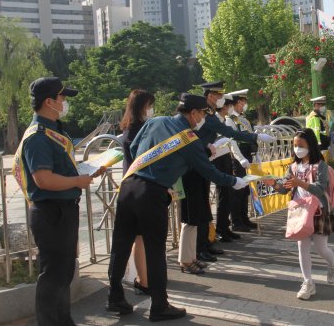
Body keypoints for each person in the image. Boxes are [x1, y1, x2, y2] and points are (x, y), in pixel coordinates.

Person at [107, 93, 249, 322]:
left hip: (128, 186)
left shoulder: (156, 121)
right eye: (202, 113)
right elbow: (208, 171)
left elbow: (132, 149)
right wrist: (235, 181)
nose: (203, 118)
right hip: (151, 193)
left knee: (120, 245)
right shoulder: (189, 138)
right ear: (193, 113)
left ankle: (114, 298)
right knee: (155, 251)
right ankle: (159, 305)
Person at [12, 77, 93, 326]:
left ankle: (63, 321)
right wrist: (77, 182)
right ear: (49, 101)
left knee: (64, 272)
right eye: (62, 98)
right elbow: (44, 179)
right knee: (53, 275)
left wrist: (83, 174)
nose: (65, 102)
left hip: (63, 210)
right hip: (51, 212)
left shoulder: (54, 129)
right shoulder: (37, 136)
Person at [181, 82, 276, 263]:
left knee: (204, 207)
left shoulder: (208, 114)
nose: (221, 100)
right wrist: (256, 137)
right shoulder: (205, 115)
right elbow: (228, 132)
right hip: (196, 165)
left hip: (204, 161)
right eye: (218, 96)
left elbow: (227, 133)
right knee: (199, 208)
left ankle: (206, 244)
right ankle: (199, 248)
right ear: (209, 96)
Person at [263, 128, 334, 300]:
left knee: (321, 248)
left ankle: (333, 262)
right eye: (295, 145)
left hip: (318, 210)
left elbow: (320, 188)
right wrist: (273, 184)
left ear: (310, 146)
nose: (297, 148)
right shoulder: (293, 167)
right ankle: (308, 283)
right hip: (299, 211)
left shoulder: (320, 165)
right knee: (302, 247)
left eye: (301, 145)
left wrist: (301, 183)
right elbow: (284, 189)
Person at [119, 89, 155, 294]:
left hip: (129, 185)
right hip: (140, 185)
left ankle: (143, 278)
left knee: (137, 237)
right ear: (142, 106)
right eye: (149, 105)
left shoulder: (127, 126)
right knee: (141, 238)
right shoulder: (139, 129)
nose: (151, 110)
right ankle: (144, 280)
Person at [226, 89, 258, 232]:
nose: (245, 105)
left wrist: (255, 153)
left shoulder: (243, 118)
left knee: (245, 189)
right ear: (238, 102)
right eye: (243, 102)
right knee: (237, 190)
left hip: (247, 155)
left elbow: (250, 136)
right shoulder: (230, 120)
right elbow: (233, 142)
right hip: (237, 157)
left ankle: (244, 218)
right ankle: (236, 221)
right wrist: (240, 158)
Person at [213, 94, 242, 242]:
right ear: (224, 107)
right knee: (223, 195)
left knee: (228, 195)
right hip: (217, 160)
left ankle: (225, 227)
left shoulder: (224, 120)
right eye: (229, 105)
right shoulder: (215, 120)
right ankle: (220, 229)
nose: (230, 108)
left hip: (225, 158)